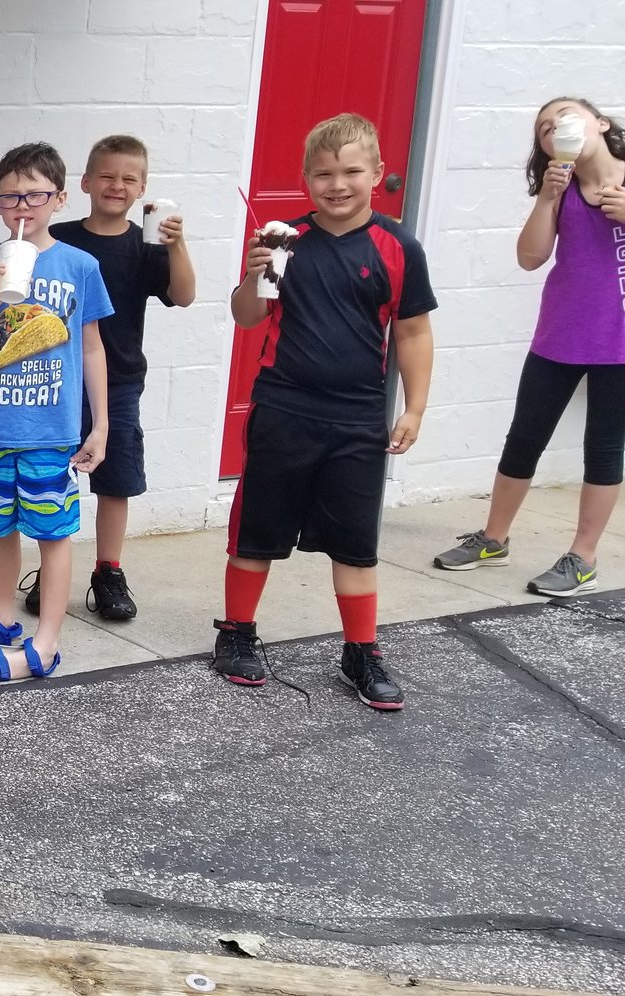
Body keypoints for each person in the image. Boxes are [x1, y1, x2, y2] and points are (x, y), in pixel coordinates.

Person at [217, 113, 435, 711]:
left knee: (355, 543)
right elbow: (247, 317)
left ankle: (361, 650)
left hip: (359, 419)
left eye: (351, 172)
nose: (337, 185)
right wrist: (252, 276)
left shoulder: (398, 246)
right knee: (257, 532)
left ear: (378, 174)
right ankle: (236, 632)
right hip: (283, 408)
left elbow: (413, 332)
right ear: (306, 178)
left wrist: (415, 408)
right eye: (323, 175)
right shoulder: (285, 240)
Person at [434, 98, 625, 596]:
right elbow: (530, 258)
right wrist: (546, 200)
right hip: (561, 333)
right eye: (545, 129)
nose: (556, 127)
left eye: (567, 116)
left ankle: (583, 557)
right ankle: (493, 539)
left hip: (620, 343)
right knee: (524, 438)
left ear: (600, 123)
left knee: (604, 448)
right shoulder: (560, 188)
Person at [0, 143, 112, 681]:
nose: (22, 206)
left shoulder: (79, 266)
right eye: (10, 196)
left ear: (59, 198)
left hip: (51, 431)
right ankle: (3, 618)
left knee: (52, 532)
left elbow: (92, 348)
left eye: (35, 194)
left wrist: (101, 425)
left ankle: (47, 641)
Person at [38, 134, 197, 620]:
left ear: (142, 189)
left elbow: (184, 296)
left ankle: (108, 571)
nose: (117, 185)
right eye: (107, 175)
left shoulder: (146, 245)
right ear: (86, 182)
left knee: (116, 482)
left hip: (120, 382)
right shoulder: (60, 237)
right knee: (49, 478)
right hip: (57, 379)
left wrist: (177, 245)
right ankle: (50, 571)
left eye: (129, 179)